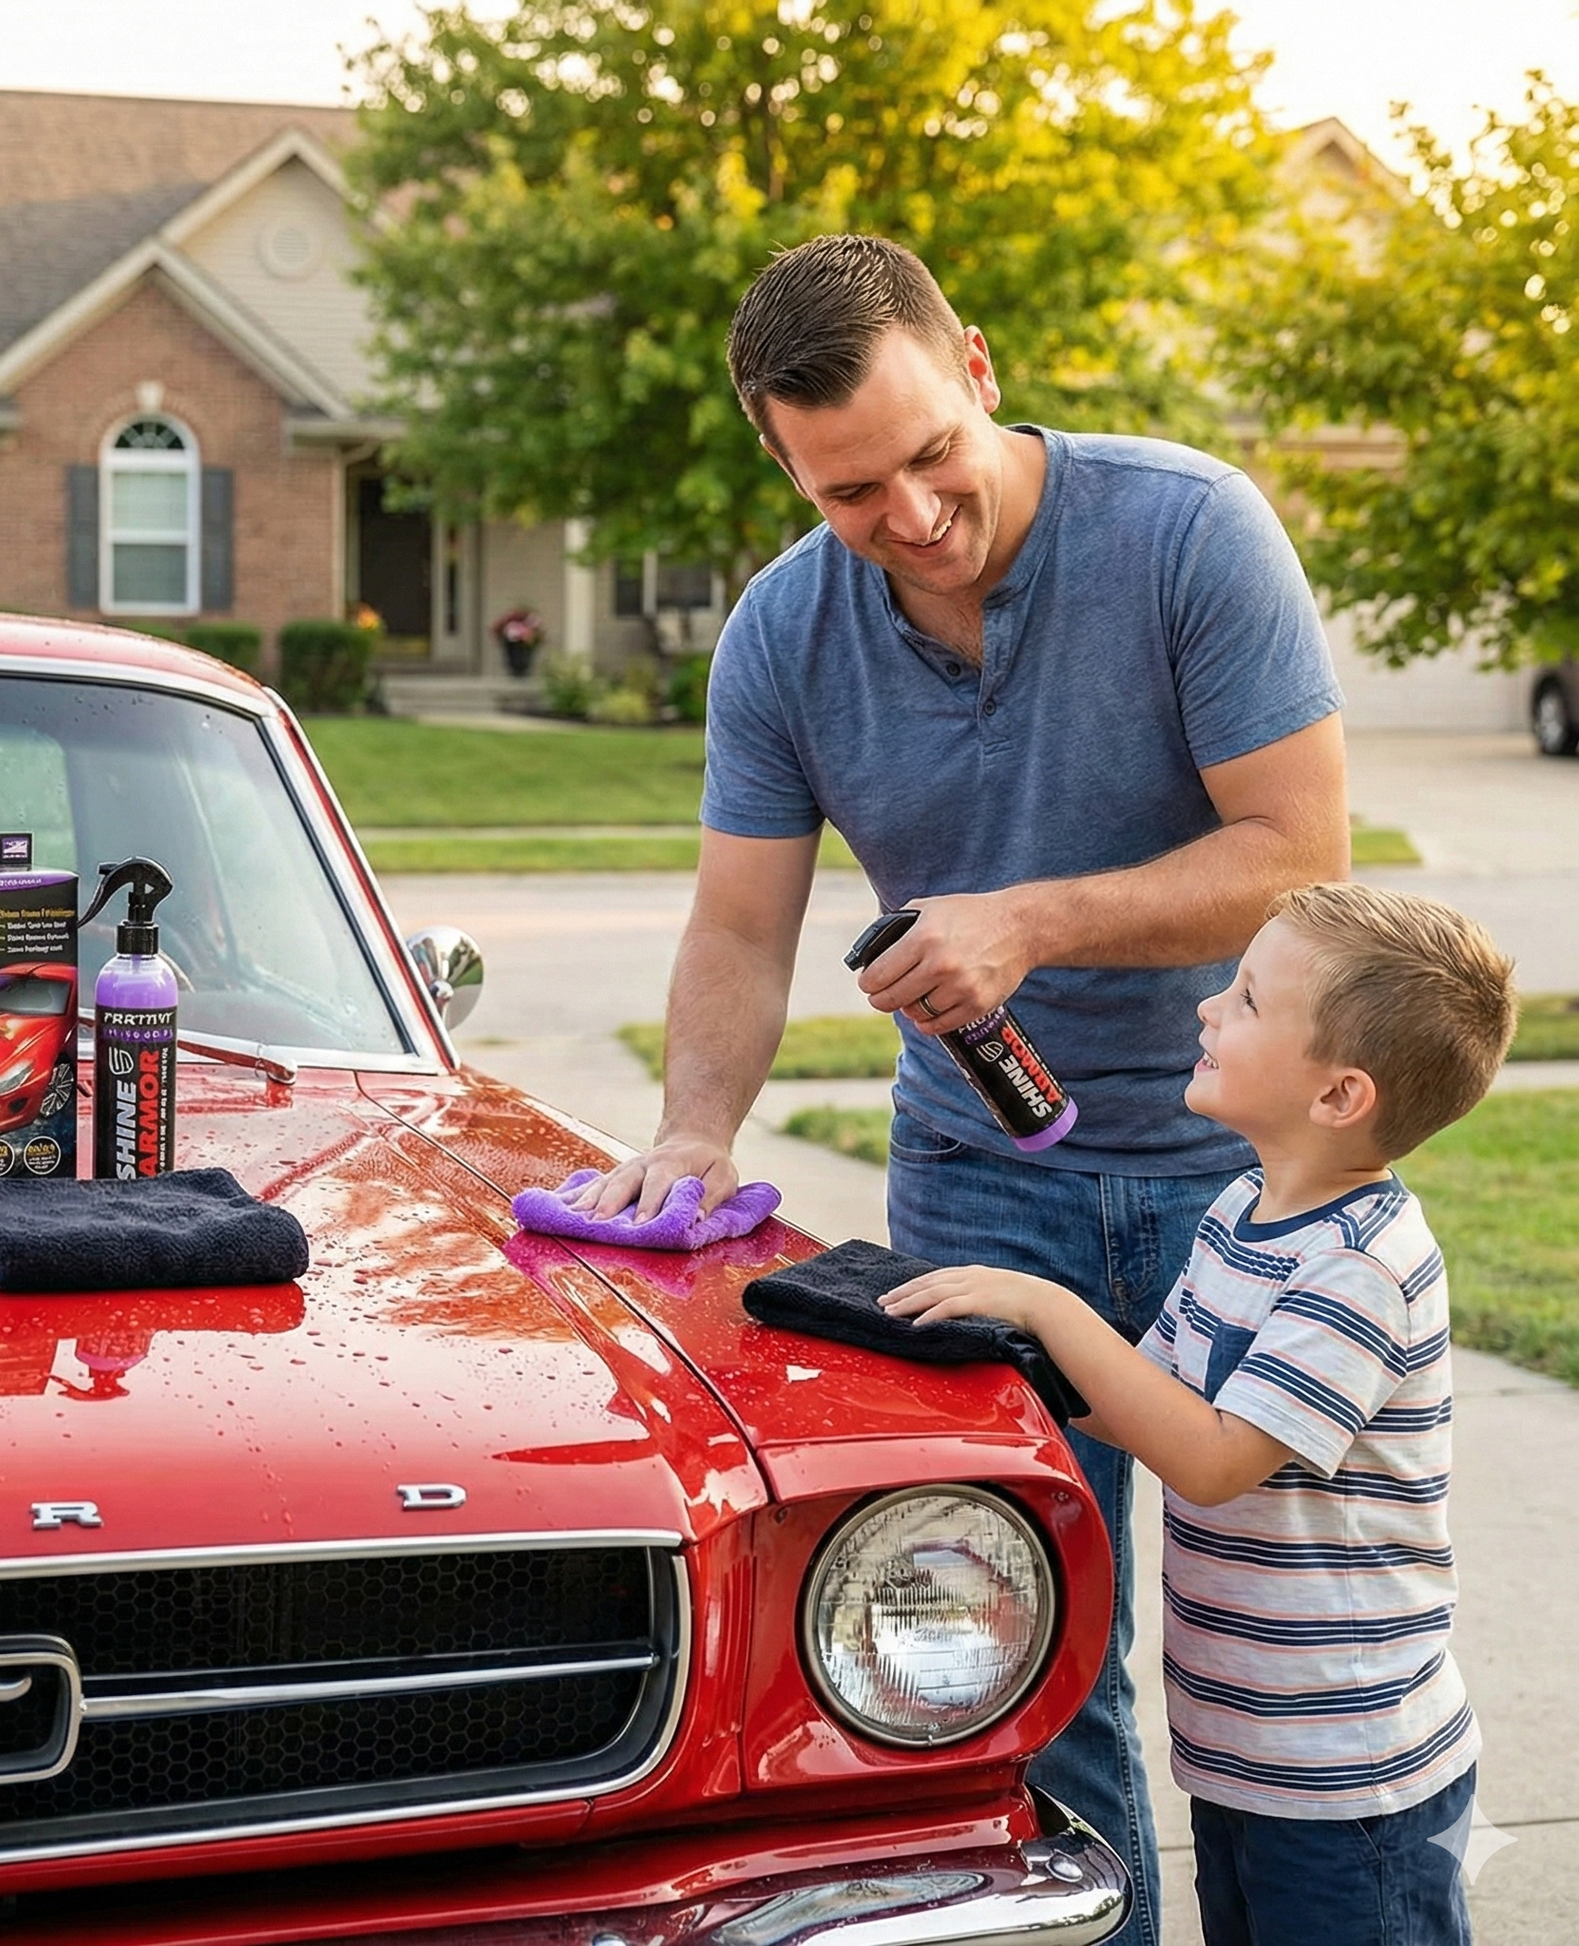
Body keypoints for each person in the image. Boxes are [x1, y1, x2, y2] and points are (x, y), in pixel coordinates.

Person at [577, 234, 1350, 1945]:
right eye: (853, 489)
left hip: (1262, 1179)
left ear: (979, 369)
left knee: (1291, 1675)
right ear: (784, 465)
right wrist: (695, 1130)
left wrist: (1030, 919)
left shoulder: (1185, 529)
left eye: (933, 454)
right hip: (986, 1191)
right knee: (1015, 1655)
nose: (914, 513)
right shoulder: (783, 633)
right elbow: (735, 919)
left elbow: (1299, 859)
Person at [881, 883, 1515, 1945]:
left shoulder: (1358, 1268)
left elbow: (1213, 1457)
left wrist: (1044, 1300)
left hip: (1348, 1781)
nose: (1204, 1009)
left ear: (1336, 1094)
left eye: (1247, 1000)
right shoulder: (1241, 1212)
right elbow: (1141, 1392)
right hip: (1246, 1754)